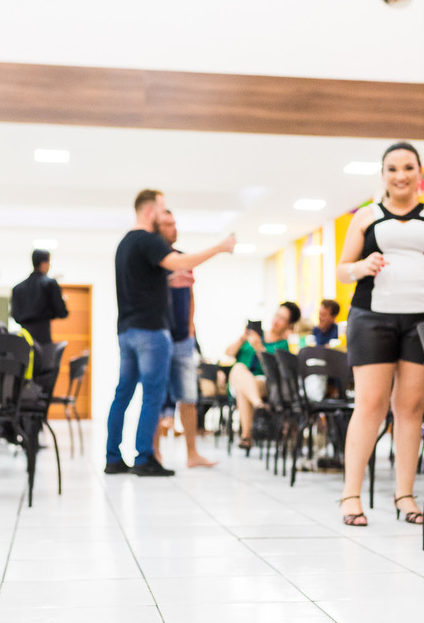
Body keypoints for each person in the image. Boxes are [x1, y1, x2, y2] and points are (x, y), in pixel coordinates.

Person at [336, 141, 424, 527]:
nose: (401, 175)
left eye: (408, 168)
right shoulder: (365, 216)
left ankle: (405, 495)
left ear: (420, 174)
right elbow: (342, 269)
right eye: (392, 168)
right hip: (371, 318)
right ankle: (350, 495)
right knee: (370, 404)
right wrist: (360, 267)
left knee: (411, 407)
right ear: (383, 174)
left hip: (423, 321)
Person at [105, 189, 235, 477]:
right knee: (153, 396)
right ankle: (145, 458)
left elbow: (146, 280)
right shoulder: (149, 240)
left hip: (126, 330)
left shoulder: (125, 244)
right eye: (162, 208)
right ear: (149, 211)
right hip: (151, 332)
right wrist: (219, 247)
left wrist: (168, 282)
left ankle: (112, 458)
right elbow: (179, 261)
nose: (165, 214)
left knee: (123, 393)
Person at [156, 210, 216, 469]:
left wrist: (190, 329)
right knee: (155, 397)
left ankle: (192, 454)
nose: (174, 228)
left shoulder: (184, 258)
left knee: (189, 397)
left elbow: (190, 295)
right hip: (159, 334)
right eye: (168, 225)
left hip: (183, 338)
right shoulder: (154, 261)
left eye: (175, 224)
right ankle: (155, 453)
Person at [226, 302, 300, 450]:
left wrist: (259, 348)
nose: (276, 320)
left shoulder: (283, 344)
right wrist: (242, 338)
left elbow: (276, 371)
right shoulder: (255, 335)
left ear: (289, 325)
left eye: (282, 318)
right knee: (239, 368)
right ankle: (259, 406)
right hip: (240, 381)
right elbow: (229, 353)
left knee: (244, 388)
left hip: (262, 383)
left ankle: (246, 437)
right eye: (277, 315)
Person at [11, 248, 68, 345]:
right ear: (44, 264)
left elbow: (15, 315)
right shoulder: (50, 284)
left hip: (24, 339)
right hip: (43, 338)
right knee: (44, 355)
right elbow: (62, 312)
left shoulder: (17, 288)